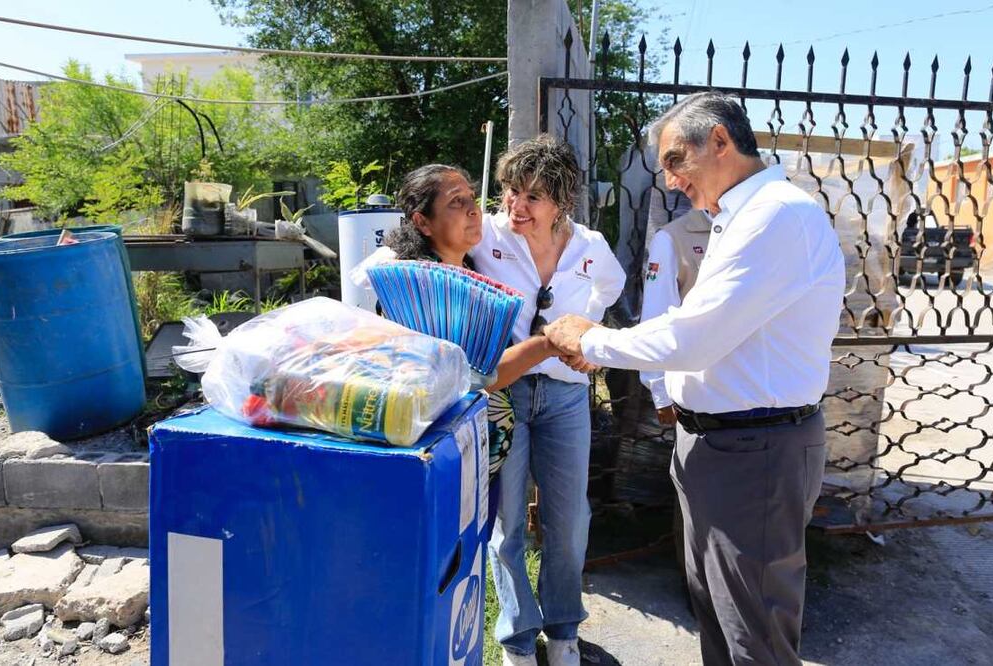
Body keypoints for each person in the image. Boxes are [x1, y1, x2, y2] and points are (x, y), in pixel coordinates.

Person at [542, 92, 845, 666]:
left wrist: (591, 341)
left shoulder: (776, 215)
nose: (672, 179)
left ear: (721, 143)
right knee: (718, 614)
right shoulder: (740, 217)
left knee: (752, 633)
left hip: (754, 450)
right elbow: (689, 326)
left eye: (678, 159)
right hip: (721, 443)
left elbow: (692, 337)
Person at [350, 163, 573, 538]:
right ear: (422, 222)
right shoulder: (417, 290)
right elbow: (466, 380)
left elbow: (485, 371)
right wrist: (547, 344)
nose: (474, 210)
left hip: (477, 457)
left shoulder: (471, 275)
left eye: (472, 198)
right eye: (457, 202)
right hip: (441, 463)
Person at [468, 135, 625, 666]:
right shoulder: (486, 235)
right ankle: (515, 639)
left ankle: (563, 634)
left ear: (562, 202)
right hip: (505, 394)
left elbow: (611, 288)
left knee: (568, 520)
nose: (516, 206)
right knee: (509, 523)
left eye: (533, 196)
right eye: (510, 191)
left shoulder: (590, 247)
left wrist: (589, 335)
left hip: (565, 397)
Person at [639, 206, 712, 425]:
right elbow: (656, 318)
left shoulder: (763, 229)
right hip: (699, 396)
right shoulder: (673, 239)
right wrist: (661, 393)